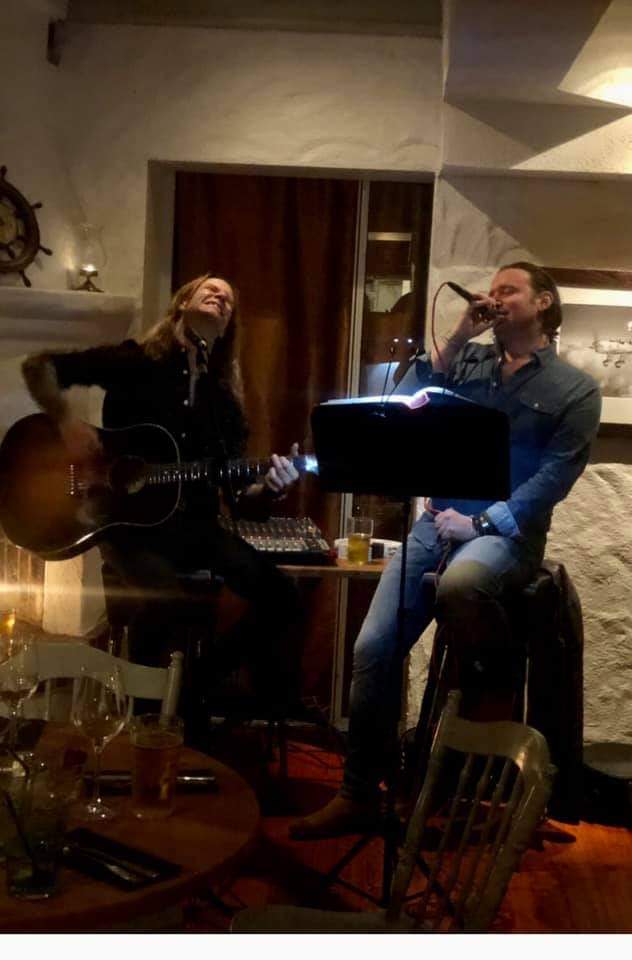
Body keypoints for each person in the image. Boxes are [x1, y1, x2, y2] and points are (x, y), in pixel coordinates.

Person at [290, 261, 601, 839]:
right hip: (435, 523)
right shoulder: (467, 361)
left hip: (506, 533)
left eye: (509, 290)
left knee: (461, 583)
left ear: (543, 303)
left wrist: (480, 521)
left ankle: (482, 699)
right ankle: (359, 794)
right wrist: (457, 336)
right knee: (372, 648)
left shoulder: (575, 389)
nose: (494, 297)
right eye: (492, 289)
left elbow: (553, 479)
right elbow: (404, 403)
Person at [22, 273, 301, 723]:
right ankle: (145, 720)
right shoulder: (135, 362)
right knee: (164, 600)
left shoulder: (223, 402)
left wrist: (269, 488)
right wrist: (68, 424)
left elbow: (240, 500)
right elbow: (39, 368)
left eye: (229, 299)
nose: (220, 296)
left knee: (282, 597)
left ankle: (190, 688)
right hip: (127, 527)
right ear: (182, 303)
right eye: (210, 289)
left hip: (195, 529)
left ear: (229, 327)